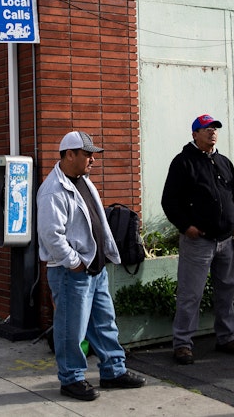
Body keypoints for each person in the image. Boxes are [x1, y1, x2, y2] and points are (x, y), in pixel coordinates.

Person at [36, 130, 145, 401]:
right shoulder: (52, 190)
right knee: (71, 329)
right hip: (71, 272)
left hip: (94, 269)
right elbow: (51, 235)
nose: (93, 160)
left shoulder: (82, 180)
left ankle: (113, 371)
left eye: (94, 155)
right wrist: (74, 263)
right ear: (69, 154)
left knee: (104, 323)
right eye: (87, 154)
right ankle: (71, 379)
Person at [161, 114, 234, 365]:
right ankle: (182, 344)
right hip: (198, 241)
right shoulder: (183, 162)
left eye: (215, 129)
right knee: (191, 294)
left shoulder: (223, 162)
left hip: (225, 241)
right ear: (194, 134)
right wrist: (186, 226)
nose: (212, 132)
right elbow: (170, 201)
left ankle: (226, 338)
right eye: (206, 129)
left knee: (227, 290)